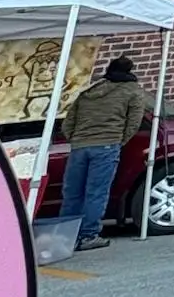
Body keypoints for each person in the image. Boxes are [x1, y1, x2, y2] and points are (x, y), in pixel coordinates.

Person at [59, 55, 149, 251]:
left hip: (80, 146)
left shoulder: (89, 91)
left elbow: (68, 123)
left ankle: (66, 235)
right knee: (96, 193)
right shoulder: (132, 91)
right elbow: (133, 122)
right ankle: (88, 235)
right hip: (107, 145)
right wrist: (119, 140)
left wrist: (76, 139)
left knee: (72, 193)